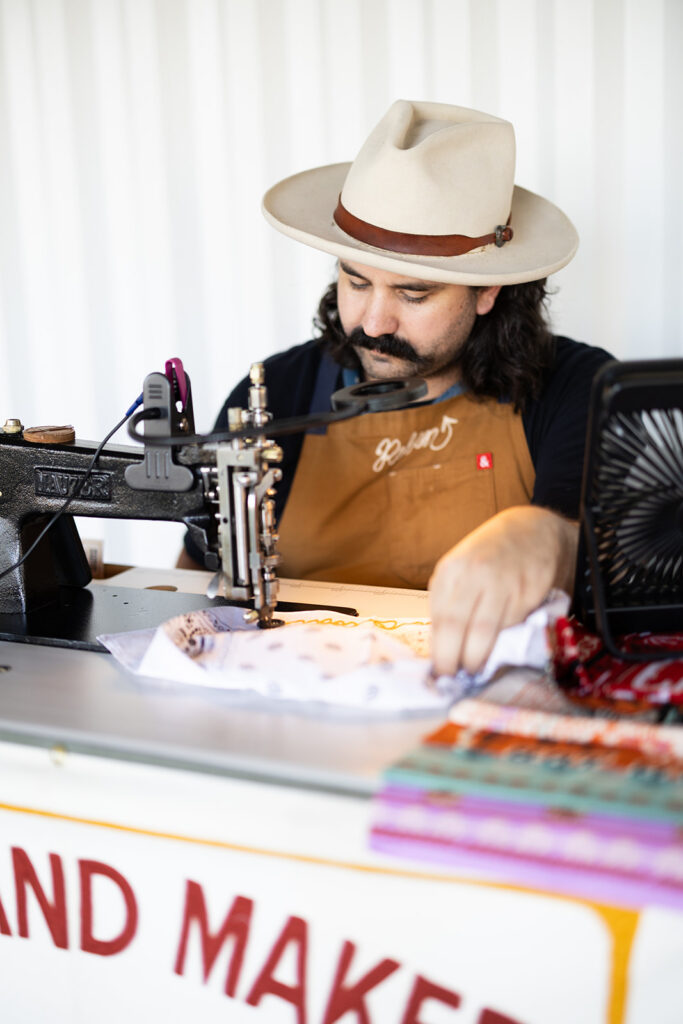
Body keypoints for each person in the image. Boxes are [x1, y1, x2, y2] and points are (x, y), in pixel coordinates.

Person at [179, 99, 613, 677]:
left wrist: (549, 539)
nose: (373, 323)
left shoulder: (574, 389)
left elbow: (610, 560)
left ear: (486, 292)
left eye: (414, 295)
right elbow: (194, 582)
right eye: (356, 281)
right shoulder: (278, 392)